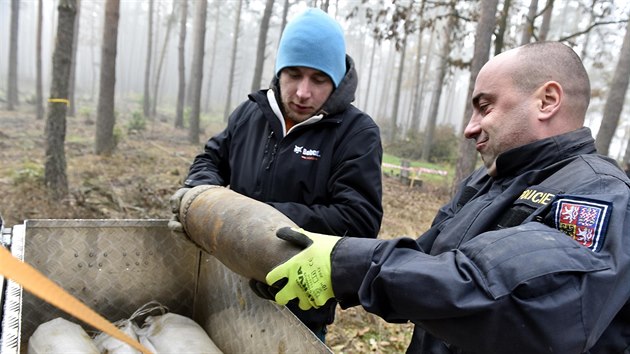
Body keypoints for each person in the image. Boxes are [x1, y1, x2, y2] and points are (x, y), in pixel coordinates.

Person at [264, 41, 630, 353]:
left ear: (547, 100)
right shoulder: (485, 182)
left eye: (485, 107)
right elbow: (425, 264)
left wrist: (348, 264)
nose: (470, 128)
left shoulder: (598, 196)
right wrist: (330, 260)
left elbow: (515, 298)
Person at [169, 8, 383, 342]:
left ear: (337, 81)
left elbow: (358, 219)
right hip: (229, 291)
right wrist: (201, 198)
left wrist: (254, 223)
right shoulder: (251, 114)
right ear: (279, 71)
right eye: (294, 74)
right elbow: (210, 159)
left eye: (319, 79)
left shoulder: (356, 133)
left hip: (297, 303)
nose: (302, 92)